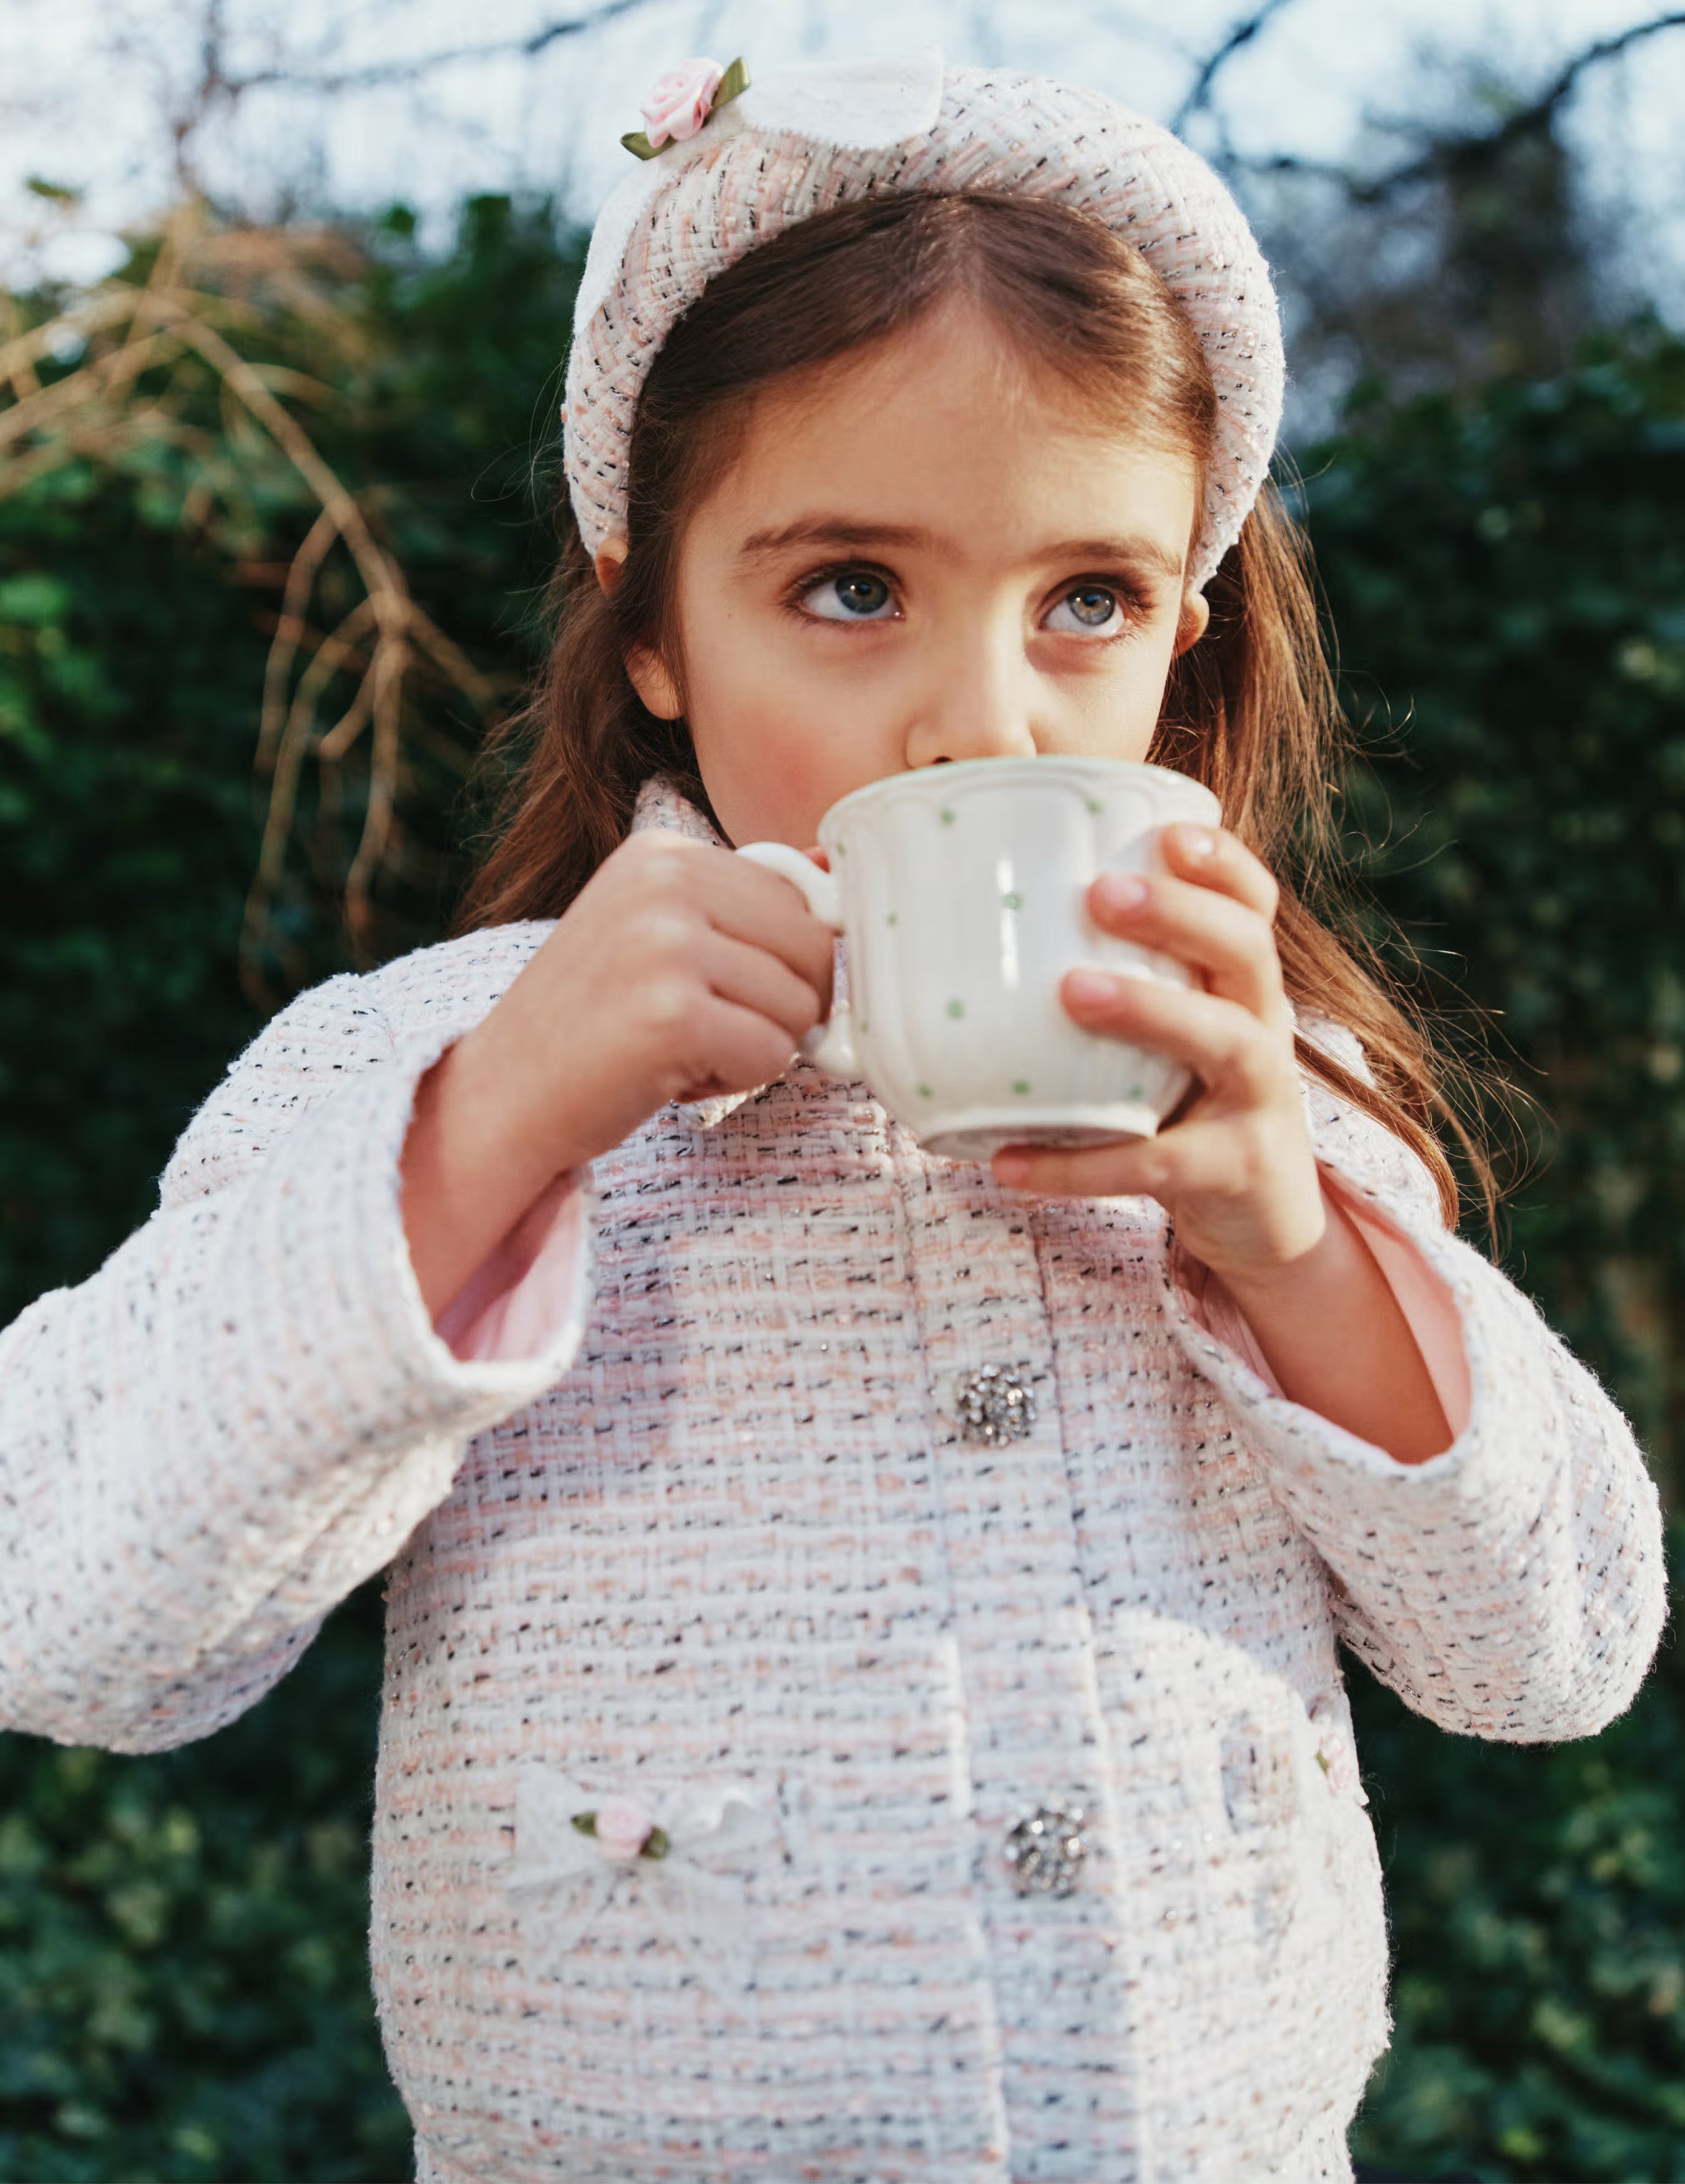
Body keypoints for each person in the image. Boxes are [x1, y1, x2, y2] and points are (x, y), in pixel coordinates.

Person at [0, 48, 1665, 2184]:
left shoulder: (1263, 1096)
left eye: (1087, 600)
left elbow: (1553, 1654)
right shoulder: (427, 1064)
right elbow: (67, 1613)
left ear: (1183, 635)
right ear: (650, 626)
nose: (981, 714)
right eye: (851, 587)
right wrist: (489, 1129)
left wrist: (1295, 1246)